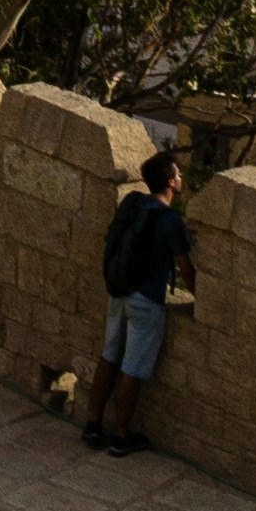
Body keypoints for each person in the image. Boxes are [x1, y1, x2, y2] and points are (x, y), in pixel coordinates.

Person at [82, 149, 189, 456]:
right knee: (132, 369)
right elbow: (185, 268)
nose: (181, 178)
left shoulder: (135, 203)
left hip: (119, 290)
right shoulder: (171, 221)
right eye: (179, 174)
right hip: (146, 300)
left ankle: (93, 423)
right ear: (170, 182)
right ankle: (121, 437)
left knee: (109, 356)